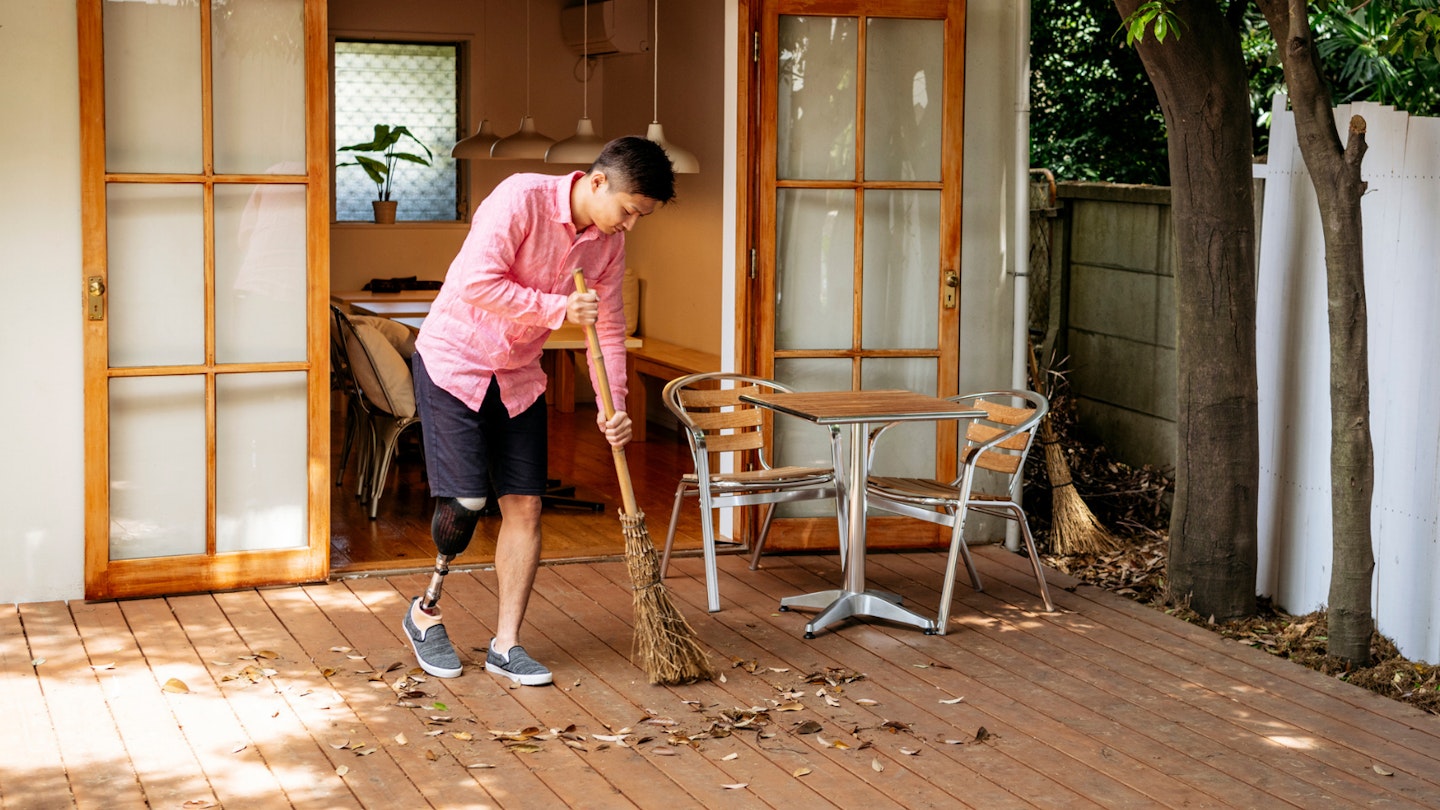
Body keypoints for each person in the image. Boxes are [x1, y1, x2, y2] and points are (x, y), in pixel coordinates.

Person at [402, 136, 677, 685]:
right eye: (628, 210)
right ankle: (425, 611)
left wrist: (613, 405)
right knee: (467, 502)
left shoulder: (606, 244)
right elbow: (476, 283)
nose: (630, 225)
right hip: (454, 361)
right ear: (598, 182)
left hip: (518, 377)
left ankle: (507, 644)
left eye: (640, 216)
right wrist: (558, 308)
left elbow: (609, 328)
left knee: (526, 507)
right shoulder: (519, 198)